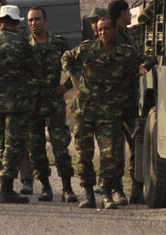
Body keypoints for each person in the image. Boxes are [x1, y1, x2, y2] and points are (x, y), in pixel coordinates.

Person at [62, 15, 145, 210]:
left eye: (107, 29)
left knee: (110, 156)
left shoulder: (125, 53)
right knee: (84, 155)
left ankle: (107, 193)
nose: (103, 33)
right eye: (100, 29)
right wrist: (72, 77)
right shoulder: (87, 49)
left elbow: (146, 59)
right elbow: (66, 57)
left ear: (115, 30)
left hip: (109, 113)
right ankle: (88, 194)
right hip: (85, 111)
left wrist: (144, 68)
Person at [0, 5, 36, 204]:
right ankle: (6, 188)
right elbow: (35, 68)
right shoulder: (21, 43)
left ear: (0, 21)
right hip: (16, 102)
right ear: (16, 22)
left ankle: (0, 182)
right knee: (13, 144)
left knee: (0, 143)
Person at [26, 6, 77, 203]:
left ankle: (67, 188)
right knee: (36, 148)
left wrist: (66, 86)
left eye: (37, 19)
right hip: (32, 106)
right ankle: (45, 187)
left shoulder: (58, 43)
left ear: (45, 21)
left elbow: (76, 65)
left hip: (54, 104)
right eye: (30, 20)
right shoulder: (25, 45)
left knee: (60, 146)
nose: (33, 23)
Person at [107, 0, 143, 203]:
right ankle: (117, 189)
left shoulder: (127, 34)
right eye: (128, 11)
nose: (130, 15)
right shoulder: (113, 36)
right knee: (115, 148)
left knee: (136, 145)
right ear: (122, 13)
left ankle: (136, 189)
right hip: (116, 100)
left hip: (129, 99)